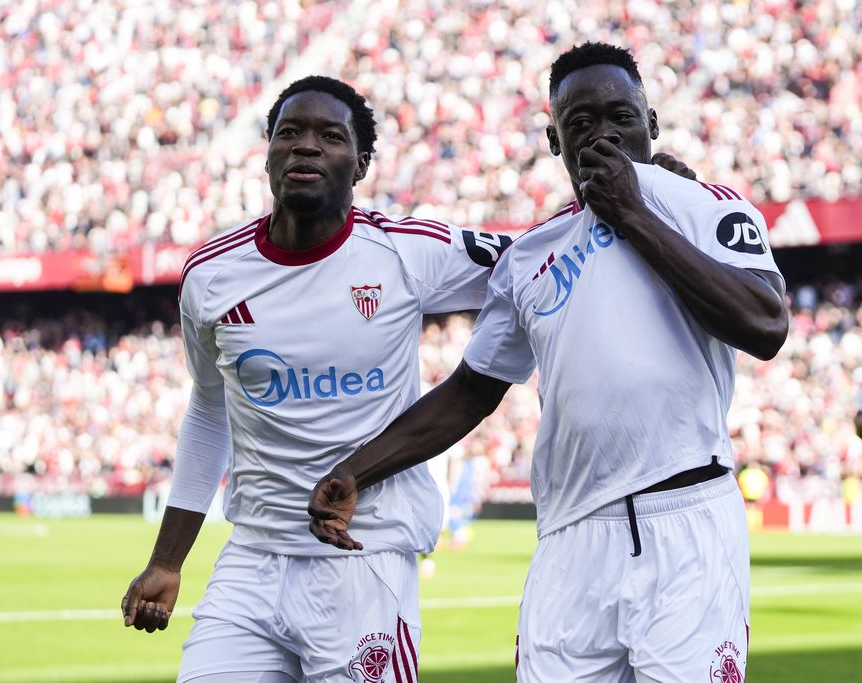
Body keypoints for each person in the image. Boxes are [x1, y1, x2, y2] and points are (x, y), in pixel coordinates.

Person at [308, 43, 789, 683]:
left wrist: (634, 213)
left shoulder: (706, 206)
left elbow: (765, 323)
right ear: (553, 139)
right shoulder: (528, 256)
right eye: (580, 123)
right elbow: (471, 391)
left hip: (686, 522)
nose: (603, 135)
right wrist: (357, 470)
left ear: (653, 123)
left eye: (620, 116)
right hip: (569, 539)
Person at [120, 75, 515, 683]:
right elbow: (208, 410)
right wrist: (168, 560)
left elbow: (538, 259)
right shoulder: (211, 275)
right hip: (251, 557)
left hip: (364, 558)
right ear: (268, 152)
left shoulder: (405, 252)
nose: (306, 146)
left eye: (330, 136)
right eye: (290, 133)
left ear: (360, 165)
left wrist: (648, 192)